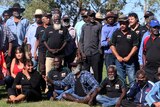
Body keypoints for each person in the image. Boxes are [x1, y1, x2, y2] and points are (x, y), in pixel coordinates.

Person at [110, 14, 139, 86]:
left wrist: (129, 56)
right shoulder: (116, 33)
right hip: (118, 60)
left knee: (132, 78)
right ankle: (123, 93)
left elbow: (135, 46)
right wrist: (117, 56)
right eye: (120, 23)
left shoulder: (133, 33)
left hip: (130, 60)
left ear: (127, 23)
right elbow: (112, 45)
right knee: (121, 78)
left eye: (123, 23)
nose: (122, 25)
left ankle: (133, 94)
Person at [79, 10, 102, 83]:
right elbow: (81, 41)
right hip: (86, 54)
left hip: (95, 53)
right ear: (87, 17)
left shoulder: (98, 26)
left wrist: (99, 51)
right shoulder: (84, 27)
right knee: (86, 73)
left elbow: (100, 40)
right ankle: (87, 89)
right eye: (90, 16)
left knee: (97, 73)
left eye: (93, 15)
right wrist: (82, 53)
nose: (92, 17)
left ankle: (97, 89)